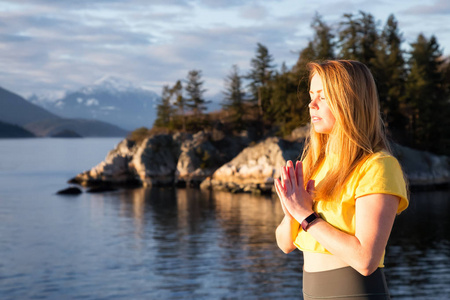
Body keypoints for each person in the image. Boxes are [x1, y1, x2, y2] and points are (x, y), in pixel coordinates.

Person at [274, 60, 408, 300]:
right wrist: (291, 211)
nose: (311, 104)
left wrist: (305, 215)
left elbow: (366, 260)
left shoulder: (377, 166)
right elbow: (285, 244)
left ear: (350, 101)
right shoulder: (313, 164)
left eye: (322, 97)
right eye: (311, 95)